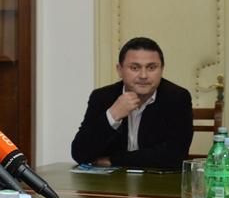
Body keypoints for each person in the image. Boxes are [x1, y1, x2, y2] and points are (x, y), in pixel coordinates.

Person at [71, 36, 192, 170]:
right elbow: (80, 153)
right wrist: (112, 116)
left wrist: (114, 160)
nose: (143, 75)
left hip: (156, 179)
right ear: (120, 70)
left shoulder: (177, 98)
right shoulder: (102, 97)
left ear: (162, 69)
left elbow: (175, 156)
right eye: (134, 68)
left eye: (151, 68)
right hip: (112, 181)